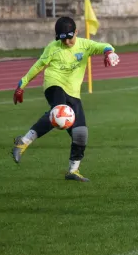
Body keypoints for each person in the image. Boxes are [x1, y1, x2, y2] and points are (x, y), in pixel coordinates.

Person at [11, 16, 120, 182]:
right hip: (54, 85)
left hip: (73, 93)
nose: (67, 42)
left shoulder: (85, 45)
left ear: (76, 32)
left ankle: (73, 171)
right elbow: (38, 66)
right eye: (63, 39)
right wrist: (21, 85)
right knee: (59, 111)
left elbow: (104, 46)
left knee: (81, 133)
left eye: (70, 37)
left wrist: (110, 53)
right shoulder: (53, 48)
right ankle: (23, 142)